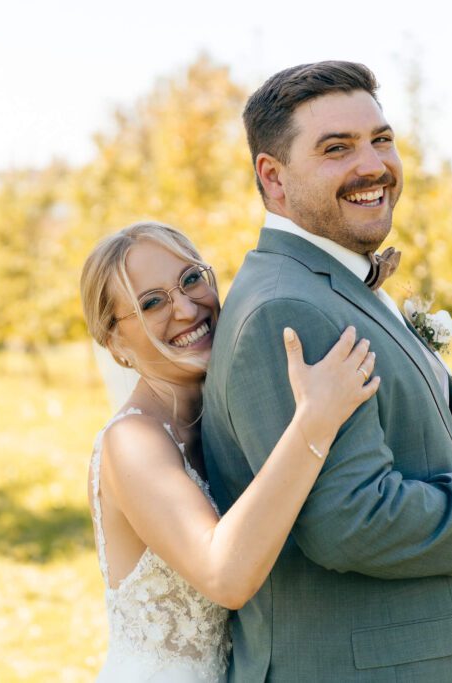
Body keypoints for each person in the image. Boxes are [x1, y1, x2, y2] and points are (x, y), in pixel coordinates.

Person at [201, 61, 452, 681]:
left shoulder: (330, 286)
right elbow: (352, 521)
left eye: (381, 139)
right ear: (274, 178)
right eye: (336, 148)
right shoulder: (290, 308)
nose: (372, 165)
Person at [80, 221, 379, 682]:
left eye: (191, 279)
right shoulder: (131, 442)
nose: (185, 308)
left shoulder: (228, 416)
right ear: (116, 343)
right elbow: (226, 576)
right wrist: (315, 419)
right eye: (151, 303)